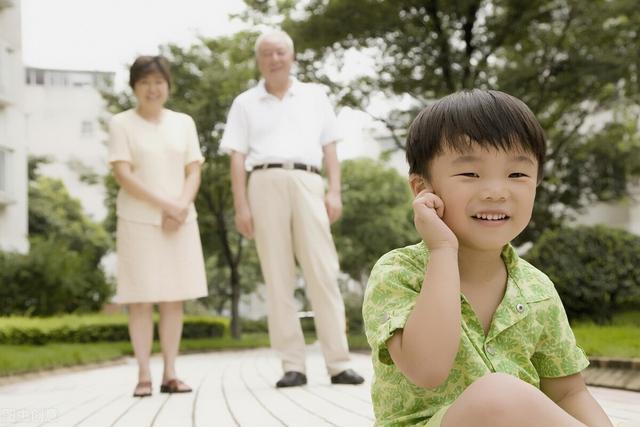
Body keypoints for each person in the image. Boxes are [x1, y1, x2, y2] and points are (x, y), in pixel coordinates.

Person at [363, 90, 613, 426]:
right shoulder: (398, 273)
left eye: (517, 175)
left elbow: (569, 393)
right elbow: (427, 369)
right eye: (470, 174)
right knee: (497, 396)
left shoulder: (536, 288)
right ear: (424, 189)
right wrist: (442, 250)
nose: (496, 191)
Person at [220, 30, 364, 388]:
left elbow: (330, 146)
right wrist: (241, 206)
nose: (274, 58)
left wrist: (335, 191)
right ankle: (292, 365)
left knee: (323, 271)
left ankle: (339, 362)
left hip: (308, 180)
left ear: (292, 57)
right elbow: (236, 157)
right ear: (258, 60)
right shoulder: (244, 103)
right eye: (267, 53)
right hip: (263, 182)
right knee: (277, 275)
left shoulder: (314, 96)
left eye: (280, 52)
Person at [108, 55, 208, 397]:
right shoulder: (121, 123)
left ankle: (170, 372)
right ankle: (142, 375)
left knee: (173, 299)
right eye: (145, 82)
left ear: (168, 85)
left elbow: (193, 169)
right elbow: (123, 173)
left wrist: (180, 206)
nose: (153, 89)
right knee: (140, 299)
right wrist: (167, 205)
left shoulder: (183, 122)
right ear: (135, 87)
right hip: (139, 222)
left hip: (180, 222)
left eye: (158, 82)